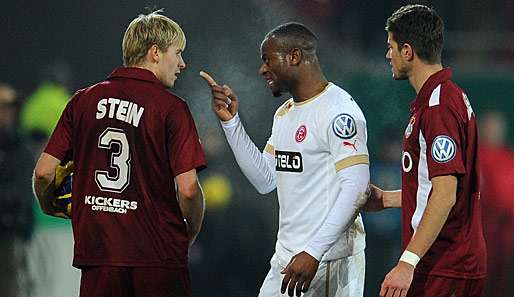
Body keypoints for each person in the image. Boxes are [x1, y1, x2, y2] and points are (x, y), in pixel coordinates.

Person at [32, 10, 206, 297]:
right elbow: (188, 190)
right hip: (158, 258)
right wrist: (192, 229)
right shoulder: (172, 109)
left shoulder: (82, 101)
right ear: (155, 53)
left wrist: (48, 204)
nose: (182, 63)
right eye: (178, 53)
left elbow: (43, 171)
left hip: (100, 255)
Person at [201, 22, 370, 297]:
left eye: (267, 59)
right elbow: (266, 179)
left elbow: (357, 187)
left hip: (327, 261)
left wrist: (314, 253)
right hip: (287, 258)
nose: (262, 69)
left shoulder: (339, 112)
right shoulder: (285, 114)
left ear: (294, 57)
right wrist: (232, 123)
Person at [364, 4, 486, 297]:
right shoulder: (444, 97)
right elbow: (434, 189)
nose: (387, 55)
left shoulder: (438, 107)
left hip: (444, 263)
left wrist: (407, 262)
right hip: (448, 261)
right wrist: (388, 199)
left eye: (391, 46)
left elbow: (445, 195)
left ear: (408, 51)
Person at [0, 83, 34, 297]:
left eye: (9, 107)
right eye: (3, 107)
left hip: (9, 233)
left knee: (10, 286)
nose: (7, 112)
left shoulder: (18, 146)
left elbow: (21, 192)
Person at [478, 111, 514, 297]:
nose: (493, 131)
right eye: (489, 126)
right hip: (480, 234)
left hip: (506, 236)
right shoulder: (473, 157)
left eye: (497, 127)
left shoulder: (509, 158)